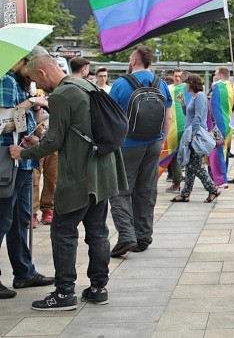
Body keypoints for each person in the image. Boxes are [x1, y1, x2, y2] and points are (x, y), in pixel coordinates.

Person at [10, 49, 127, 311]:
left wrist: (24, 151)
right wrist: (40, 140)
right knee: (97, 232)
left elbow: (55, 141)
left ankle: (64, 293)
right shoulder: (85, 84)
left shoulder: (62, 94)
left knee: (63, 232)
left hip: (79, 176)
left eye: (35, 81)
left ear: (42, 72)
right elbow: (73, 133)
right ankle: (99, 288)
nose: (37, 87)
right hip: (102, 171)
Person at [107, 45, 172, 257]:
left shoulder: (121, 84)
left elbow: (110, 117)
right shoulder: (161, 84)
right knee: (147, 189)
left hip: (127, 144)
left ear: (134, 60)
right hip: (154, 142)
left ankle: (126, 235)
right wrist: (162, 141)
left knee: (119, 190)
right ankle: (143, 236)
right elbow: (168, 116)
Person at [0, 52, 53, 300]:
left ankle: (24, 272)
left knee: (21, 218)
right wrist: (30, 105)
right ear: (21, 62)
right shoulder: (7, 80)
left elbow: (22, 120)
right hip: (9, 158)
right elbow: (5, 121)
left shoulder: (21, 82)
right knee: (4, 219)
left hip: (23, 159)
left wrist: (38, 115)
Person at [171, 74, 220, 203]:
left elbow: (198, 117)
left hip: (196, 135)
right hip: (192, 132)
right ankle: (185, 193)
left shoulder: (200, 96)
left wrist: (193, 134)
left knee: (196, 166)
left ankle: (213, 189)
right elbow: (189, 115)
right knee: (190, 165)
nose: (185, 85)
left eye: (187, 83)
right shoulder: (194, 97)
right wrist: (182, 104)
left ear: (192, 84)